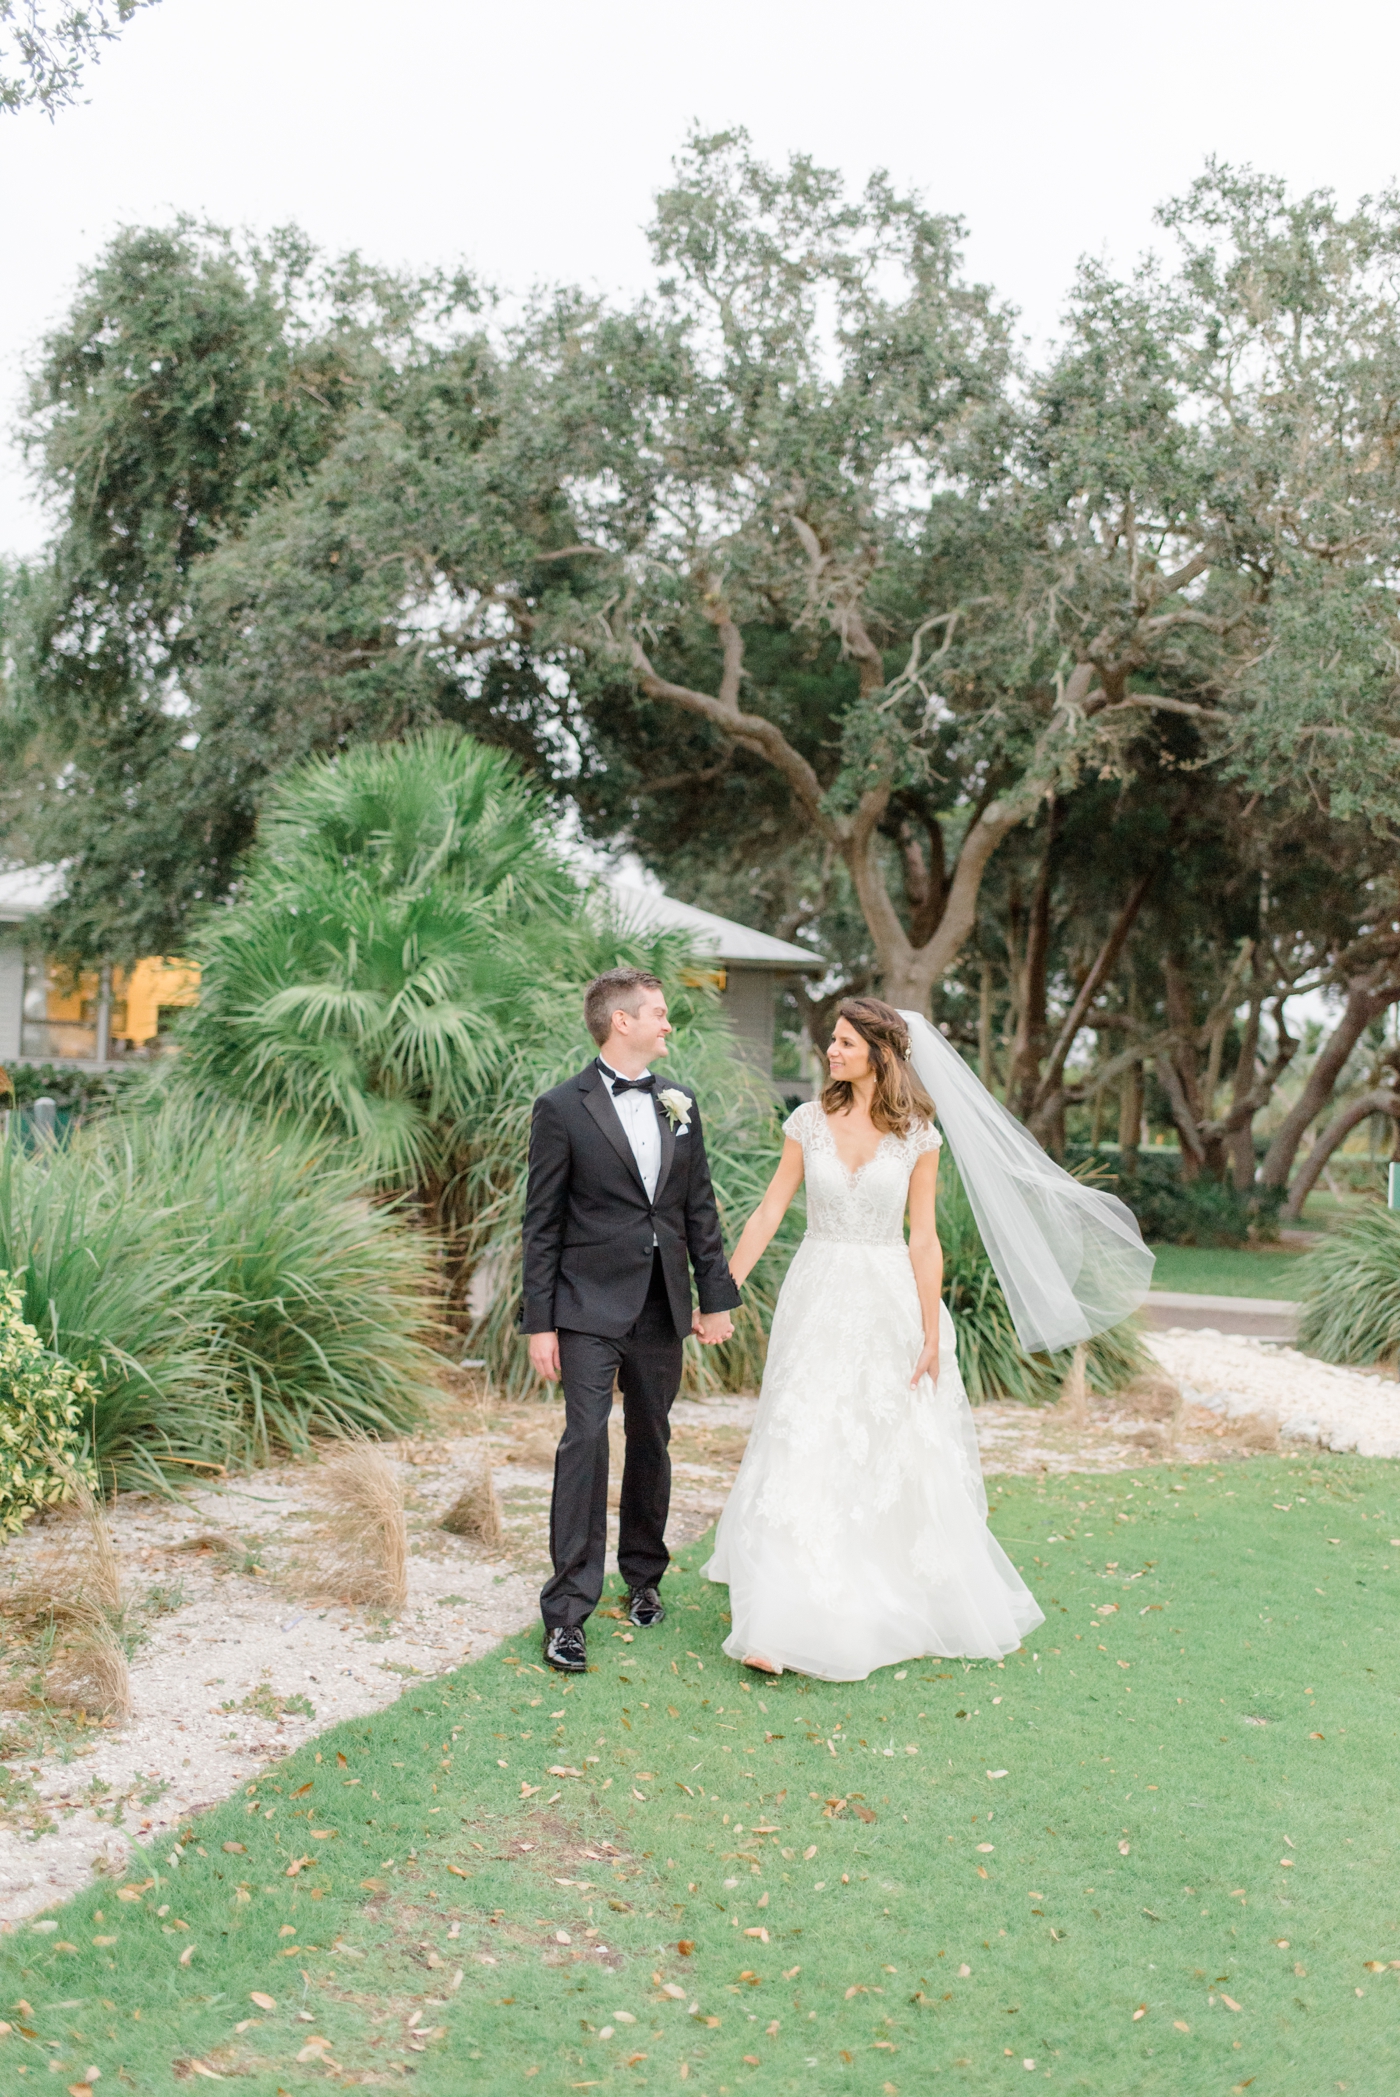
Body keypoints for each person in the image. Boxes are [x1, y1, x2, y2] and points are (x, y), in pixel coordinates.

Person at [706, 996, 1152, 1681]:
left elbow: (924, 1238)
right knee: (806, 1432)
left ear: (880, 1053)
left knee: (880, 1440)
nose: (831, 1050)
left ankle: (874, 1586)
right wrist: (724, 1289)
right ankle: (781, 1616)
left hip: (888, 1299)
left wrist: (930, 1329)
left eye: (845, 1041)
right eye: (833, 1040)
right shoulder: (808, 1122)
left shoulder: (919, 1135)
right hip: (818, 1292)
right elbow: (770, 1210)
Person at [522, 967, 741, 1673]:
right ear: (623, 1021)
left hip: (660, 1303)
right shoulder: (561, 1107)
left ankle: (643, 1578)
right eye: (659, 1012)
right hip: (585, 1305)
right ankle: (566, 1613)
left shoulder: (681, 1104)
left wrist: (715, 1298)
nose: (668, 1023)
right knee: (584, 1442)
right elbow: (541, 1223)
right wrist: (540, 1322)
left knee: (653, 1438)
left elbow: (699, 1210)